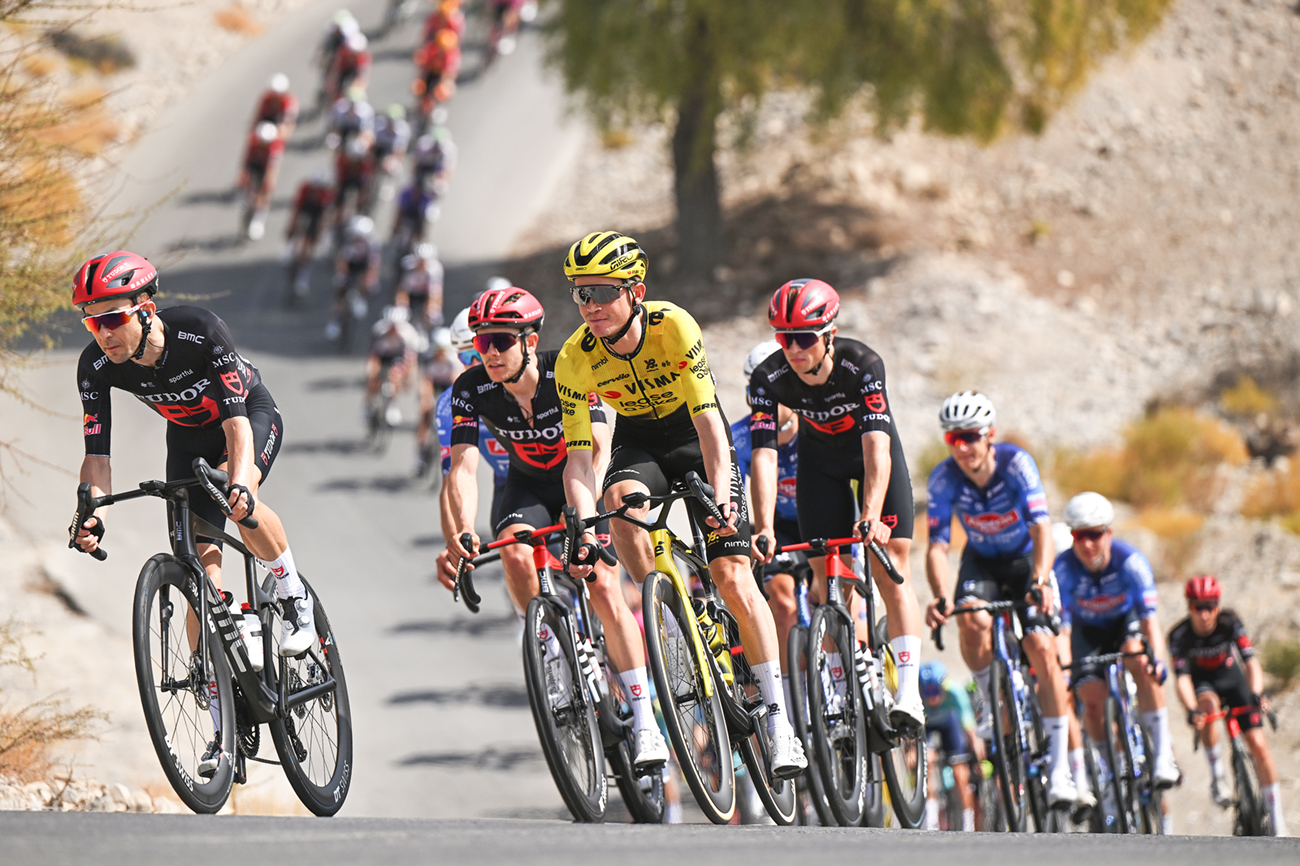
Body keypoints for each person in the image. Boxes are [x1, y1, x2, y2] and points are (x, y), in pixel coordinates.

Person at [555, 231, 806, 778]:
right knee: (618, 502)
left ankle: (780, 720)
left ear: (636, 291)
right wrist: (585, 529)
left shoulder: (673, 326)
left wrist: (722, 501)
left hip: (695, 436)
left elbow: (712, 428)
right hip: (639, 440)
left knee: (733, 575)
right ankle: (664, 610)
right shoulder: (575, 359)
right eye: (580, 294)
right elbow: (580, 462)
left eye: (601, 291)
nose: (589, 306)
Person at [68, 251, 315, 779]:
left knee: (234, 495)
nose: (103, 333)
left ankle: (291, 592)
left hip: (247, 416)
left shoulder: (199, 331)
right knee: (201, 576)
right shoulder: (95, 365)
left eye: (112, 318)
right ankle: (224, 726)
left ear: (145, 308)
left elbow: (238, 428)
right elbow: (98, 457)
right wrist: (92, 514)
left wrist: (242, 484)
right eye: (93, 321)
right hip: (184, 438)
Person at [436, 287, 669, 767]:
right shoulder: (470, 389)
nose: (491, 354)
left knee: (604, 585)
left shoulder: (567, 370)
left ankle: (645, 720)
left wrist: (587, 520)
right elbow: (462, 468)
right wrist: (460, 532)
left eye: (501, 341)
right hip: (526, 484)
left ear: (530, 339)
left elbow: (600, 450)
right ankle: (550, 646)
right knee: (513, 551)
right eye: (482, 344)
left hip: (582, 476)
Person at [748, 278, 925, 731]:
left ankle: (908, 692)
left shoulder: (862, 364)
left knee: (889, 567)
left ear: (829, 333)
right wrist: (763, 525)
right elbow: (764, 456)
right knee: (827, 579)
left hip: (871, 457)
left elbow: (876, 449)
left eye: (803, 338)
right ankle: (844, 696)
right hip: (820, 464)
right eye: (784, 338)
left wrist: (870, 515)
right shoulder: (768, 379)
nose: (793, 348)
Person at [922, 391, 1078, 807]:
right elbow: (937, 547)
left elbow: (1043, 528)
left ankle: (1062, 769)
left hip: (1025, 560)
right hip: (982, 563)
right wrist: (941, 594)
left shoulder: (1016, 464)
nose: (963, 447)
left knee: (1042, 647)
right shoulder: (943, 478)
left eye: (971, 437)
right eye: (954, 439)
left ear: (989, 435)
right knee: (970, 619)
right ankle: (990, 694)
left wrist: (1043, 580)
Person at [1055, 492, 1179, 806]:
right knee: (1092, 702)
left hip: (1125, 623)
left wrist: (1159, 660)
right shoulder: (1064, 568)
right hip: (1087, 631)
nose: (1087, 545)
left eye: (1094, 535)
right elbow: (1063, 630)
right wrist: (1065, 670)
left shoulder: (1131, 561)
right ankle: (1110, 770)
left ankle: (1163, 754)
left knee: (1140, 657)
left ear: (1108, 533)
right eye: (1079, 536)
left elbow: (1151, 621)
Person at [1170, 575, 1288, 835]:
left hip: (1233, 681)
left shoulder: (1230, 622)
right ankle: (1217, 776)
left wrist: (1257, 693)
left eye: (1210, 605)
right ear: (1189, 606)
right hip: (1205, 686)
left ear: (1218, 605)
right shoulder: (1179, 635)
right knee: (1207, 708)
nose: (1205, 613)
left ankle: (1277, 818)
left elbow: (1250, 662)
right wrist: (1192, 711)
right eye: (1198, 607)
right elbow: (1182, 680)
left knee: (1258, 745)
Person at [732, 341, 806, 708]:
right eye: (754, 391)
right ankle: (794, 697)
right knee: (781, 599)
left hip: (818, 518)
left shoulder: (814, 422)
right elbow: (731, 494)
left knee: (846, 602)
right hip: (774, 524)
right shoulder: (742, 435)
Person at [431, 308, 509, 502]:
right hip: (509, 484)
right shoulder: (452, 402)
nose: (475, 364)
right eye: (466, 358)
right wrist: (461, 531)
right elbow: (454, 481)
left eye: (479, 351)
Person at [920, 661, 982, 832]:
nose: (932, 698)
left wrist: (976, 751)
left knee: (959, 772)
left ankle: (967, 820)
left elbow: (970, 727)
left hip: (950, 724)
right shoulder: (916, 693)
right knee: (927, 762)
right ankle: (931, 818)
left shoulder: (955, 692)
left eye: (935, 692)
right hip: (928, 726)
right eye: (927, 693)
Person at [364, 306, 421, 426]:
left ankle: (392, 405)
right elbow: (373, 354)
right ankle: (367, 405)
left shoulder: (409, 334)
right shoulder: (379, 330)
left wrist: (410, 378)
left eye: (397, 326)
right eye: (391, 325)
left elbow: (411, 360)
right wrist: (370, 369)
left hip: (398, 357)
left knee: (396, 376)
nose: (394, 328)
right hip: (382, 356)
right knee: (373, 377)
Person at [326, 215, 379, 341]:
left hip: (363, 266)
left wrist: (370, 279)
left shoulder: (372, 244)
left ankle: (360, 297)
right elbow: (342, 260)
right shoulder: (347, 242)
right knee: (341, 287)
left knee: (370, 286)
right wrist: (341, 275)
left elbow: (374, 264)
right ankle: (336, 320)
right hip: (350, 265)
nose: (359, 239)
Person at [285, 172, 334, 293]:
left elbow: (325, 217)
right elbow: (296, 210)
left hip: (317, 213)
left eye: (319, 189)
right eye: (314, 188)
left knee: (310, 243)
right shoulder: (304, 189)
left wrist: (319, 233)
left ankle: (303, 277)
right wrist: (291, 227)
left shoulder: (327, 194)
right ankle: (290, 249)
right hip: (305, 208)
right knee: (296, 231)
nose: (316, 191)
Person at [238, 121, 283, 241]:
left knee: (264, 193)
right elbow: (247, 159)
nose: (262, 145)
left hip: (266, 167)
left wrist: (269, 183)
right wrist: (244, 175)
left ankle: (259, 219)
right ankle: (247, 202)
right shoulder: (253, 141)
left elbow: (272, 168)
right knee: (249, 186)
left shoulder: (275, 147)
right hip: (255, 164)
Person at [394, 243, 444, 333]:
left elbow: (436, 293)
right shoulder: (407, 266)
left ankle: (428, 332)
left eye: (425, 261)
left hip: (426, 294)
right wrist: (401, 306)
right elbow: (402, 290)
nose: (422, 264)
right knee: (401, 312)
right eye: (420, 261)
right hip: (411, 293)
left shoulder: (435, 269)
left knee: (433, 314)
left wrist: (433, 308)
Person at [252, 73, 298, 139]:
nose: (274, 97)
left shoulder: (289, 103)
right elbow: (258, 115)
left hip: (280, 122)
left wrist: (281, 136)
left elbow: (289, 124)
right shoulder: (267, 98)